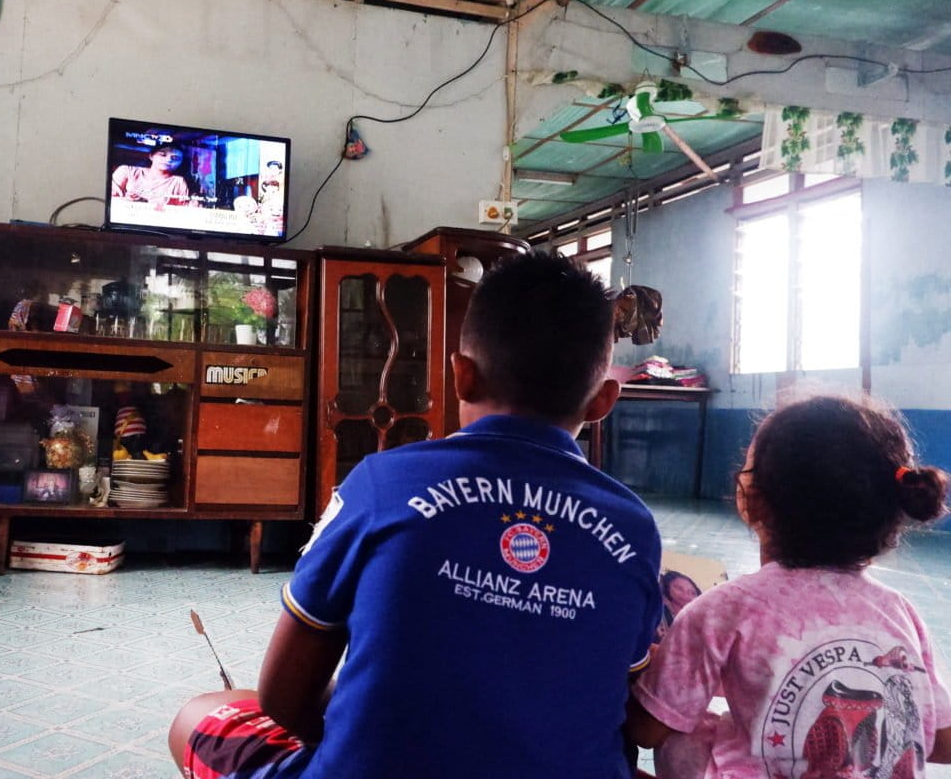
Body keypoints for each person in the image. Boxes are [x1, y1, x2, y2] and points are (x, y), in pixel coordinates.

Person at [168, 252, 664, 778]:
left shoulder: (381, 484)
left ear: (460, 375)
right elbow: (626, 713)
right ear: (603, 400)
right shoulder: (634, 528)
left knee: (197, 715)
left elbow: (283, 699)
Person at [627, 394, 951, 778]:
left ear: (753, 500)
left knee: (685, 735)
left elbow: (647, 730)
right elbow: (943, 743)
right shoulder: (899, 611)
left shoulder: (721, 609)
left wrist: (642, 668)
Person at [110, 142, 191, 206]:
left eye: (175, 158)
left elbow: (183, 208)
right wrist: (127, 200)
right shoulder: (127, 171)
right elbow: (110, 198)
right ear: (151, 156)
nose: (169, 160)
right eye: (163, 155)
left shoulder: (178, 182)